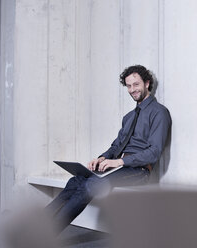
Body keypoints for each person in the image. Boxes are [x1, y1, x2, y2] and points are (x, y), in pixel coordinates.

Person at [45, 65, 172, 232]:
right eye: (128, 86)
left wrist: (119, 161)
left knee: (92, 184)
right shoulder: (129, 117)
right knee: (75, 180)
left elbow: (153, 153)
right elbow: (116, 145)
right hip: (118, 167)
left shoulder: (159, 113)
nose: (132, 90)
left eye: (136, 84)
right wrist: (102, 158)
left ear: (147, 83)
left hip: (139, 170)